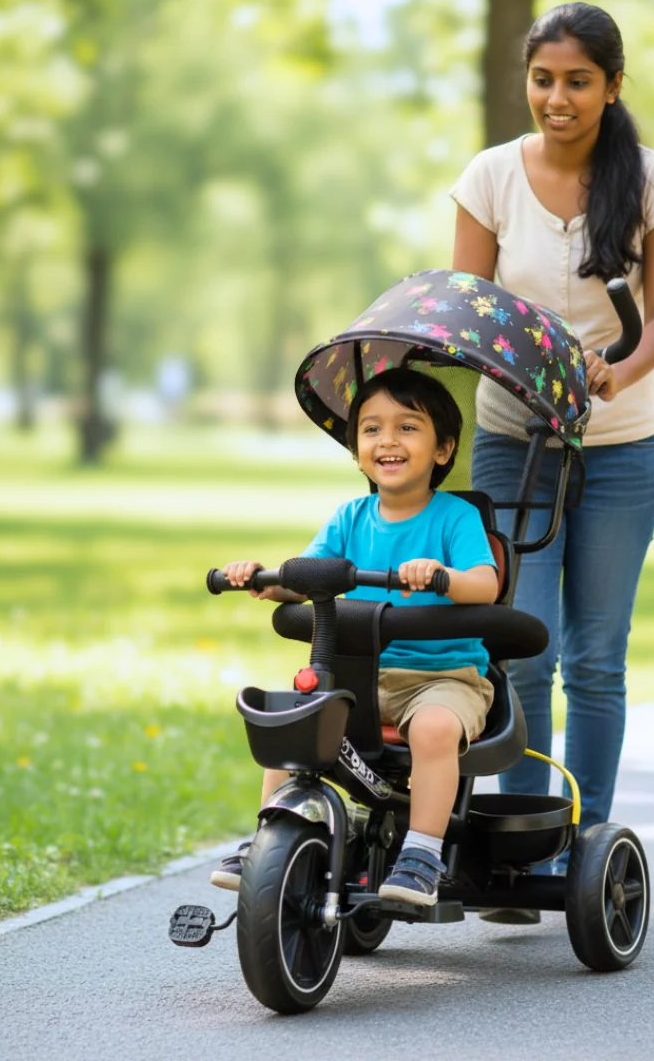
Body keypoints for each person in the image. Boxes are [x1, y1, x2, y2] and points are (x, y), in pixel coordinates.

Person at [451, 4, 654, 838]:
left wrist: (618, 372)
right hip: (513, 447)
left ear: (613, 87)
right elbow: (471, 310)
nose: (557, 98)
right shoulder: (488, 177)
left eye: (578, 82)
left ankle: (583, 843)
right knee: (524, 648)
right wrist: (520, 369)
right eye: (543, 79)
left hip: (622, 450)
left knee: (596, 660)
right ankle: (525, 837)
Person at [211, 369, 499, 907]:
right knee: (296, 719)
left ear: (444, 449)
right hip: (364, 674)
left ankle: (421, 852)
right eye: (371, 429)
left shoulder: (455, 517)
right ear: (357, 450)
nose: (388, 440)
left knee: (434, 730)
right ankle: (267, 834)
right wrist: (262, 579)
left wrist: (442, 576)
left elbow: (487, 583)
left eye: (408, 427)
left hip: (443, 677)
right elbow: (305, 577)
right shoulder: (349, 517)